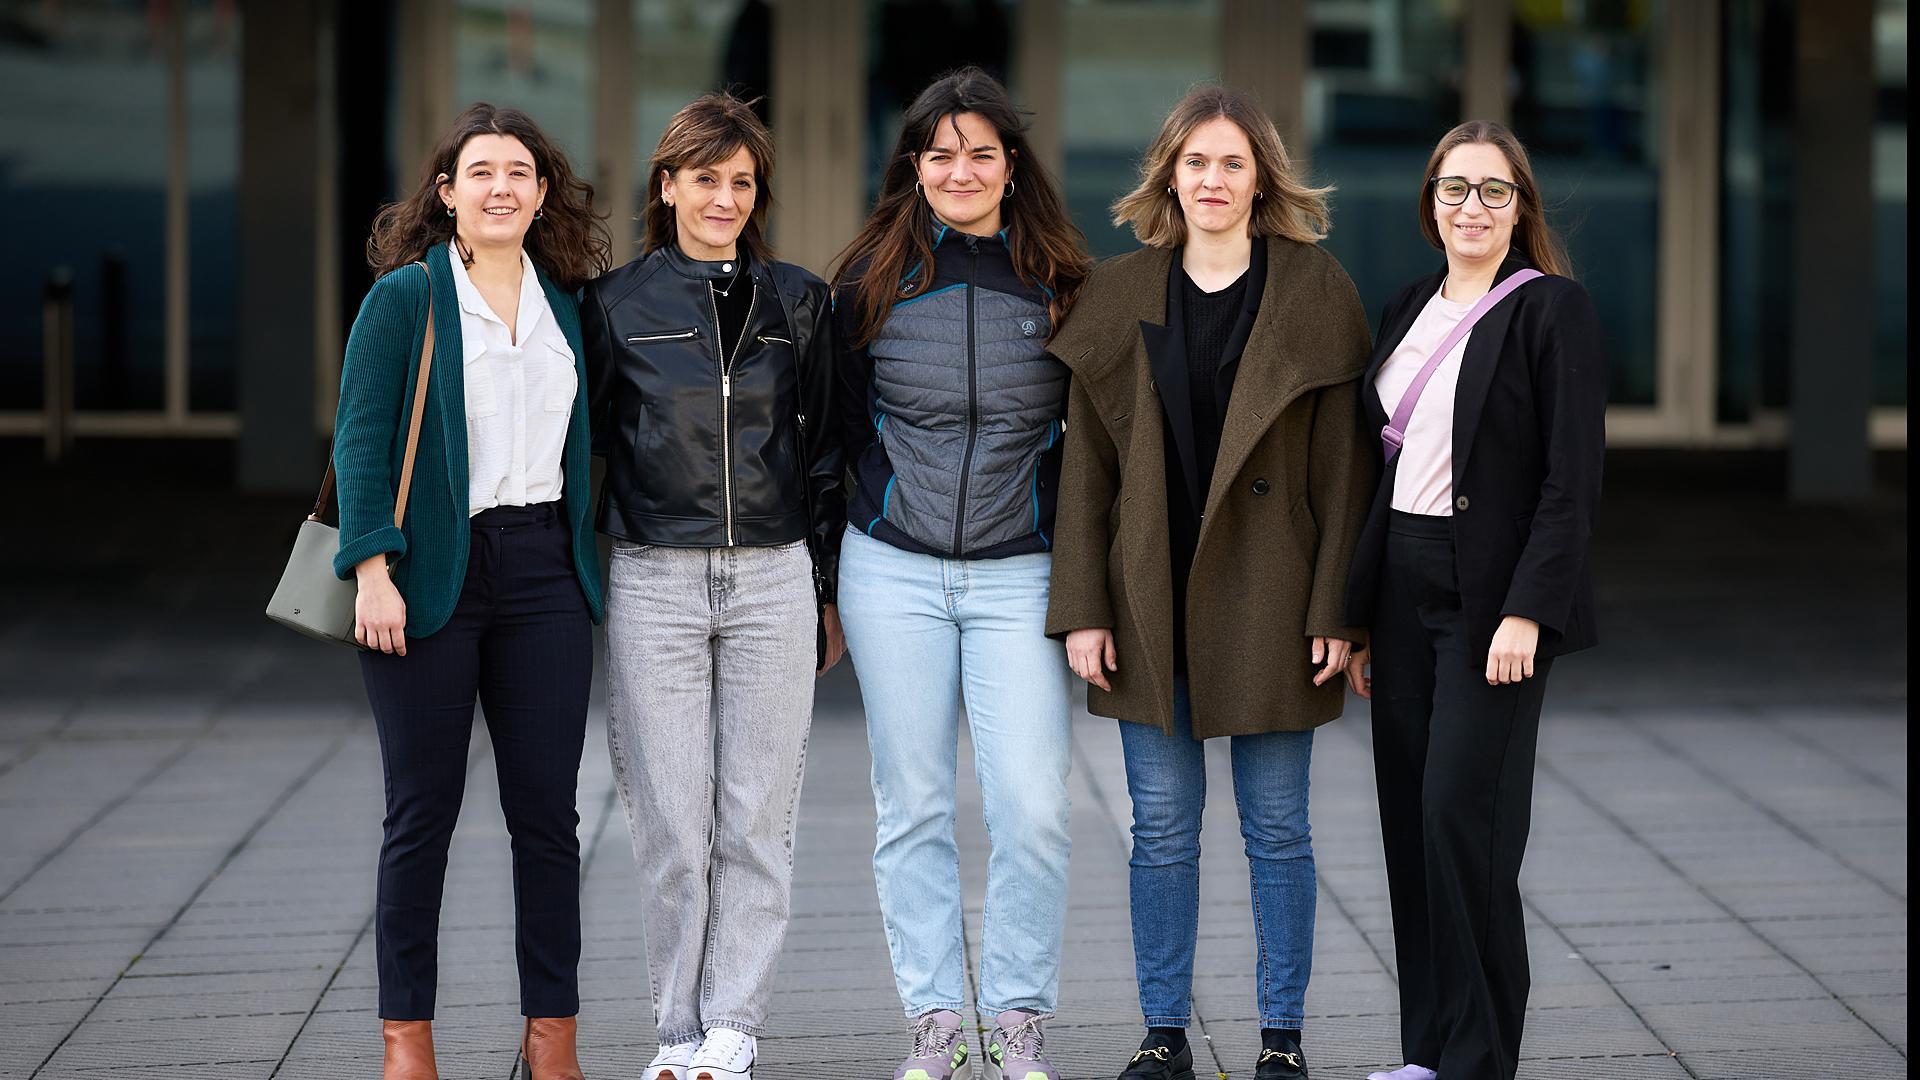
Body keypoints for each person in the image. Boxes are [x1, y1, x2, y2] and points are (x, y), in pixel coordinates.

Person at [1044, 87, 1373, 1080]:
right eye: (1197, 163)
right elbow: (1085, 473)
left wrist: (1337, 613)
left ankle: (1281, 1038)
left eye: (1234, 164)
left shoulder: (1317, 291)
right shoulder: (1119, 290)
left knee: (1278, 831)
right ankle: (1162, 1035)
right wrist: (1081, 610)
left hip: (1277, 601)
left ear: (1262, 178)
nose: (1215, 181)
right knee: (1163, 834)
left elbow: (1344, 473)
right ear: (1169, 175)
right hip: (1149, 599)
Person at [333, 102, 610, 1080]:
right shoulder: (405, 299)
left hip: (544, 573)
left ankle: (552, 1039)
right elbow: (362, 440)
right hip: (427, 574)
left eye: (519, 174)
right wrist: (372, 571)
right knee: (423, 812)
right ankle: (408, 1042)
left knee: (549, 816)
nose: (500, 188)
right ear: (445, 191)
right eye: (480, 172)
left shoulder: (567, 301)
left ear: (543, 196)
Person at [829, 66, 1091, 1080]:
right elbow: (839, 431)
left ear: (1012, 167)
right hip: (891, 570)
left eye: (982, 151)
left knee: (1032, 804)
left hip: (1018, 574)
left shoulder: (1063, 282)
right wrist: (833, 576)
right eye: (941, 154)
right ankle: (938, 1022)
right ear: (914, 168)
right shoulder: (871, 280)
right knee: (916, 807)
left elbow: (1096, 448)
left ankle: (1016, 1015)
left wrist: (1082, 574)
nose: (962, 170)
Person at [580, 92, 845, 1080]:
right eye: (705, 179)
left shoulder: (800, 302)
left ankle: (735, 1027)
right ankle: (678, 1031)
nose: (724, 197)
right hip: (654, 576)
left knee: (757, 820)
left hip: (773, 577)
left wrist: (823, 585)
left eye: (741, 182)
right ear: (667, 185)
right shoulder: (613, 306)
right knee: (671, 825)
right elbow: (587, 453)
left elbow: (824, 454)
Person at [1342, 121, 1606, 1080]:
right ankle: (1427, 1054)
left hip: (1490, 600)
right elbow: (1381, 468)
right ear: (1430, 204)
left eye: (1495, 192)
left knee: (1465, 819)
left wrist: (1530, 611)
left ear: (1521, 207)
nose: (1473, 208)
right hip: (1402, 588)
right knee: (1411, 824)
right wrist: (1362, 613)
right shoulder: (1409, 305)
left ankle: (1481, 1059)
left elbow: (1570, 482)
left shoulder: (1551, 312)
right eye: (1455, 190)